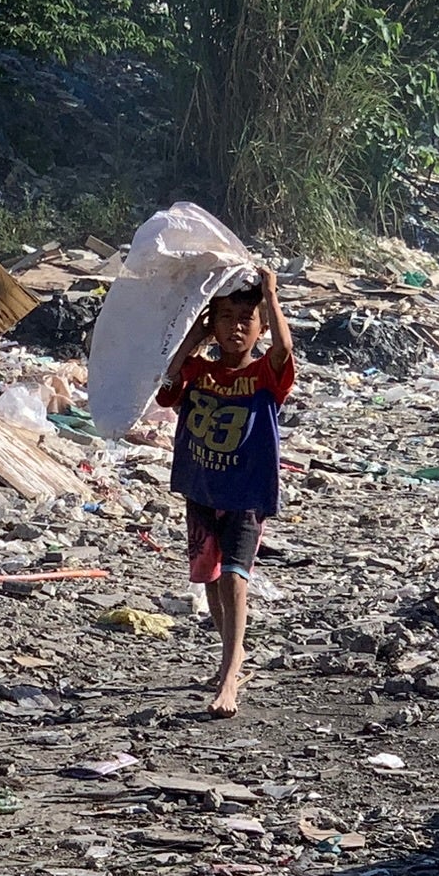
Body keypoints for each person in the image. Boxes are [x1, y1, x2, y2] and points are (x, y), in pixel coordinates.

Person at [154, 266, 294, 718]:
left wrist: (270, 295)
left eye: (246, 319)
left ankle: (230, 677)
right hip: (201, 487)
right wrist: (194, 332)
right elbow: (166, 391)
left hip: (246, 492)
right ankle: (230, 655)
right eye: (226, 317)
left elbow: (285, 349)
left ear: (261, 328)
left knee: (234, 576)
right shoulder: (199, 370)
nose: (235, 327)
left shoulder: (266, 375)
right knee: (211, 579)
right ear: (212, 323)